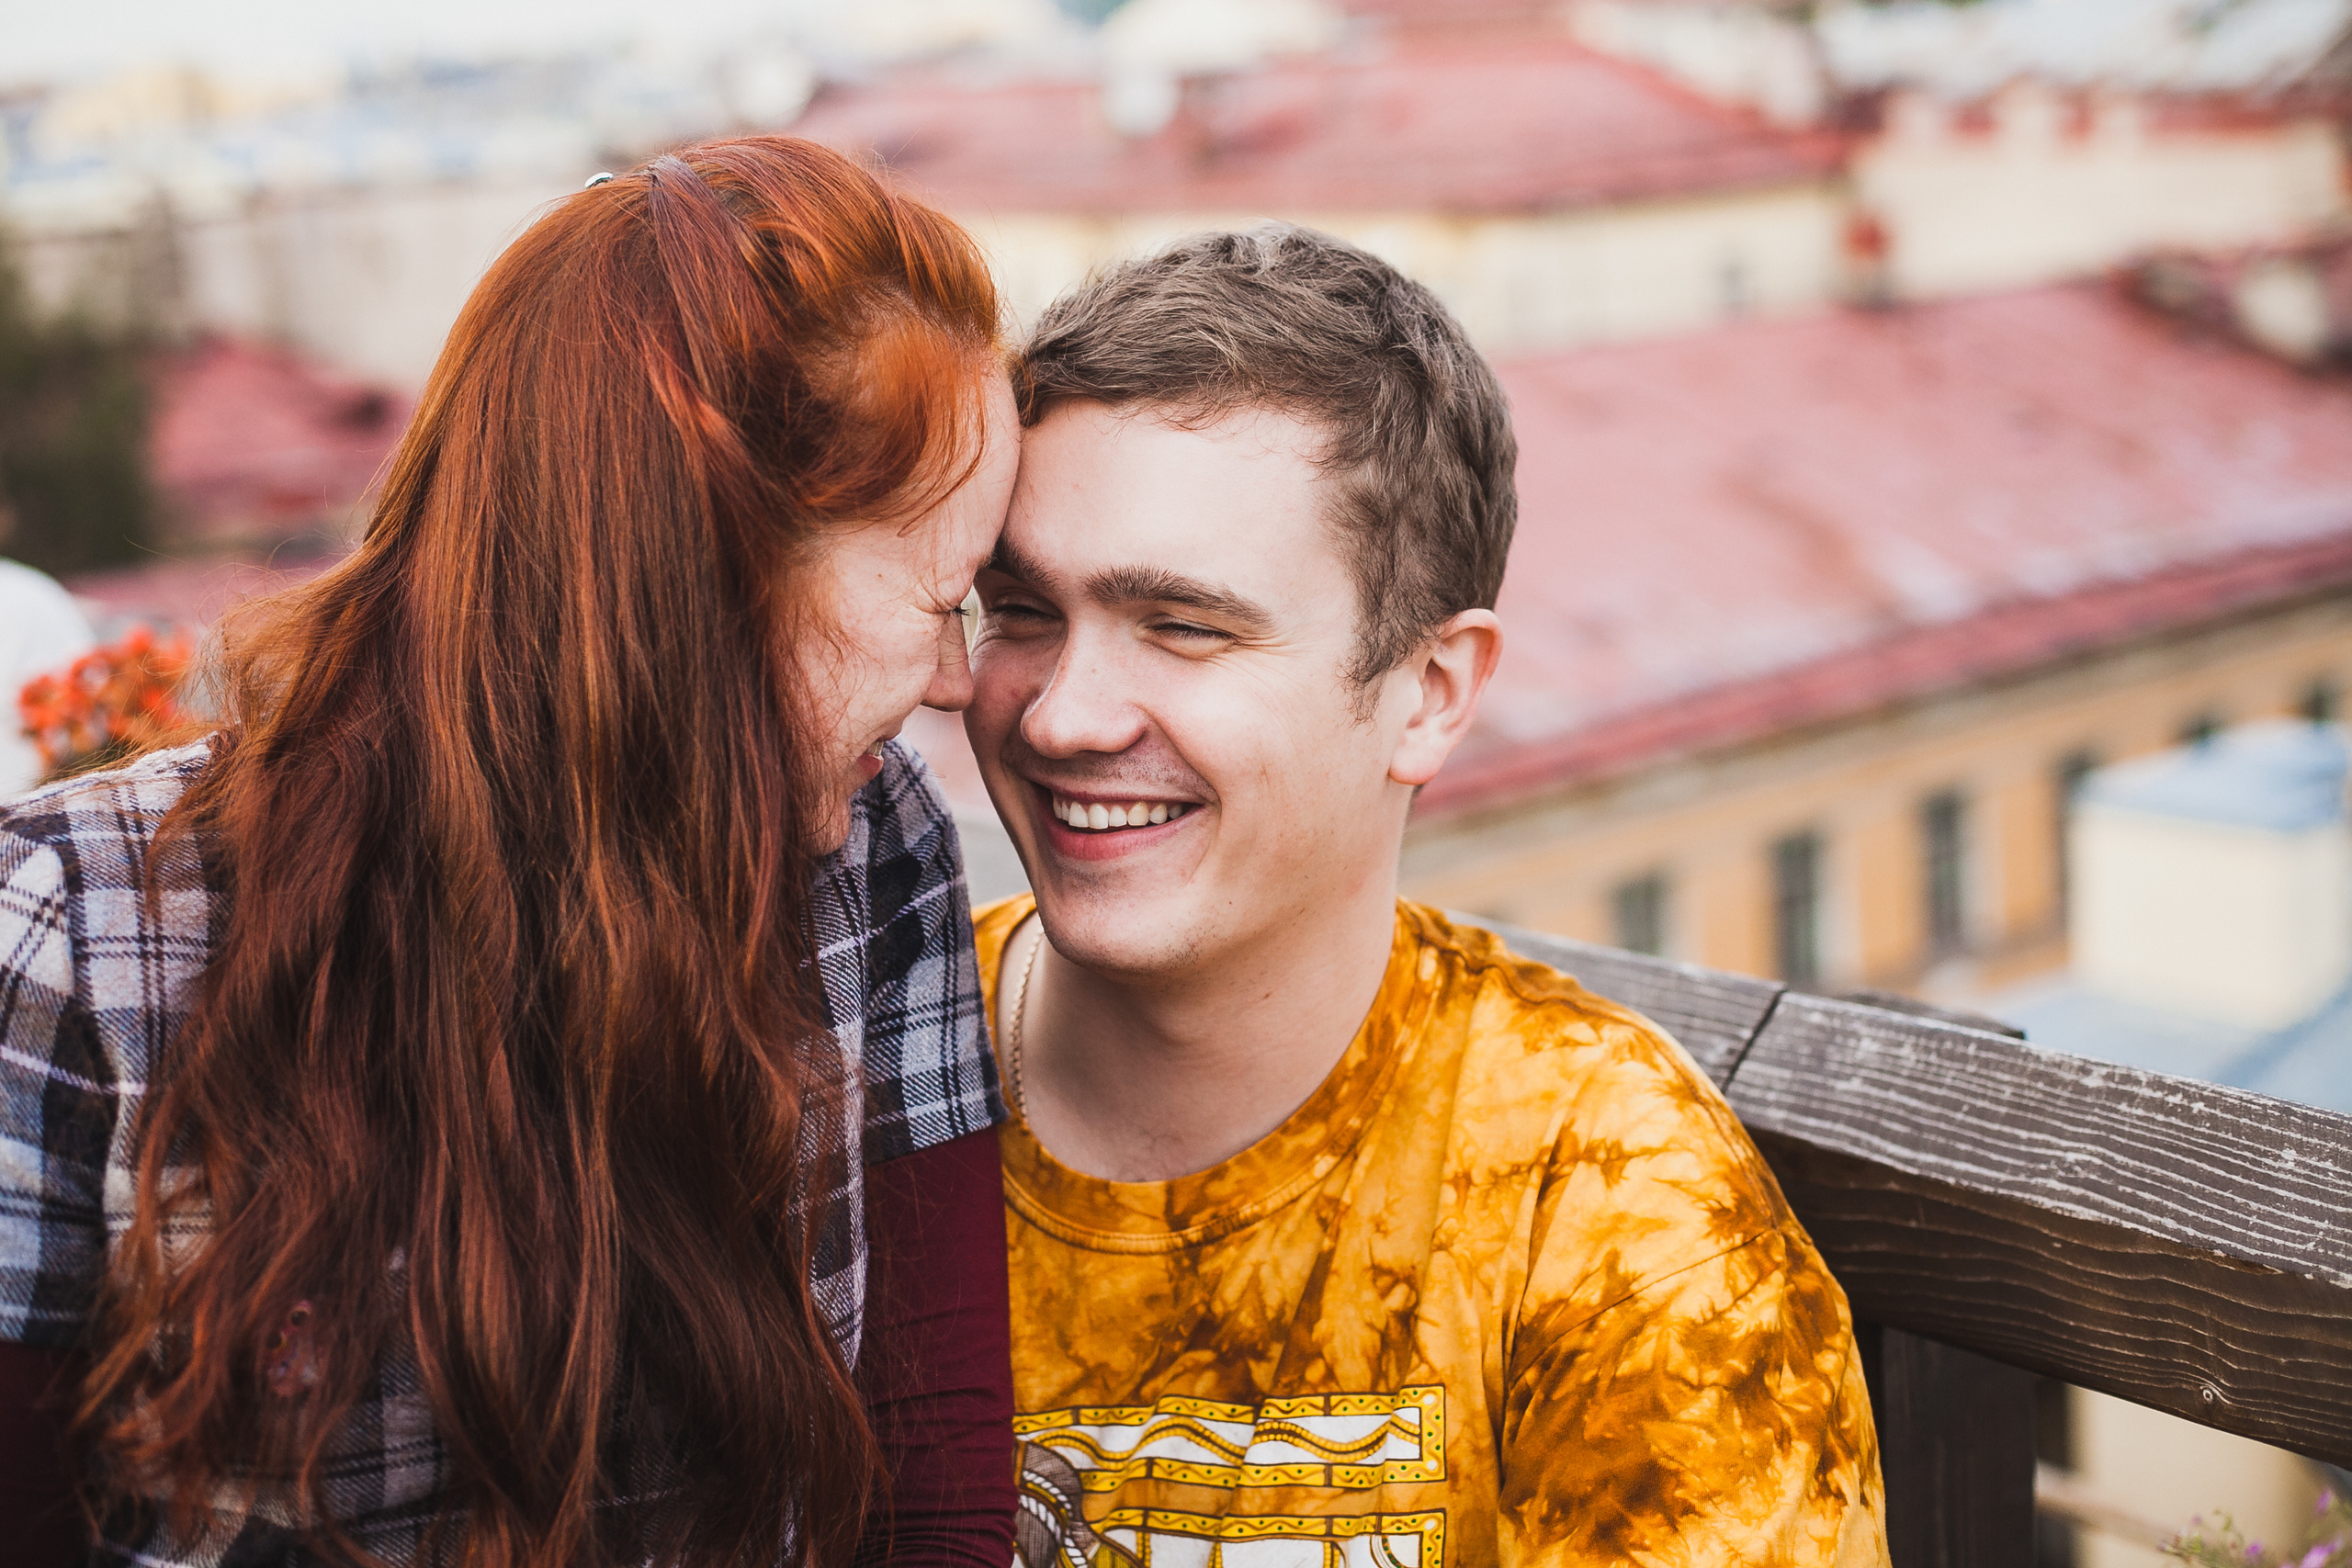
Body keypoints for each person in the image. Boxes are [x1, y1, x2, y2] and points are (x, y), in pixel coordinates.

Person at [0, 137, 1018, 1567]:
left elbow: (937, 1490)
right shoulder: (85, 932)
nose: (959, 683)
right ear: (716, 572)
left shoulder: (869, 855)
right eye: (941, 599)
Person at [964, 224, 1891, 1566]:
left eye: (1185, 625)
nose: (1064, 715)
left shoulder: (1609, 1200)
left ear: (1429, 694)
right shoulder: (839, 1085)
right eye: (1023, 610)